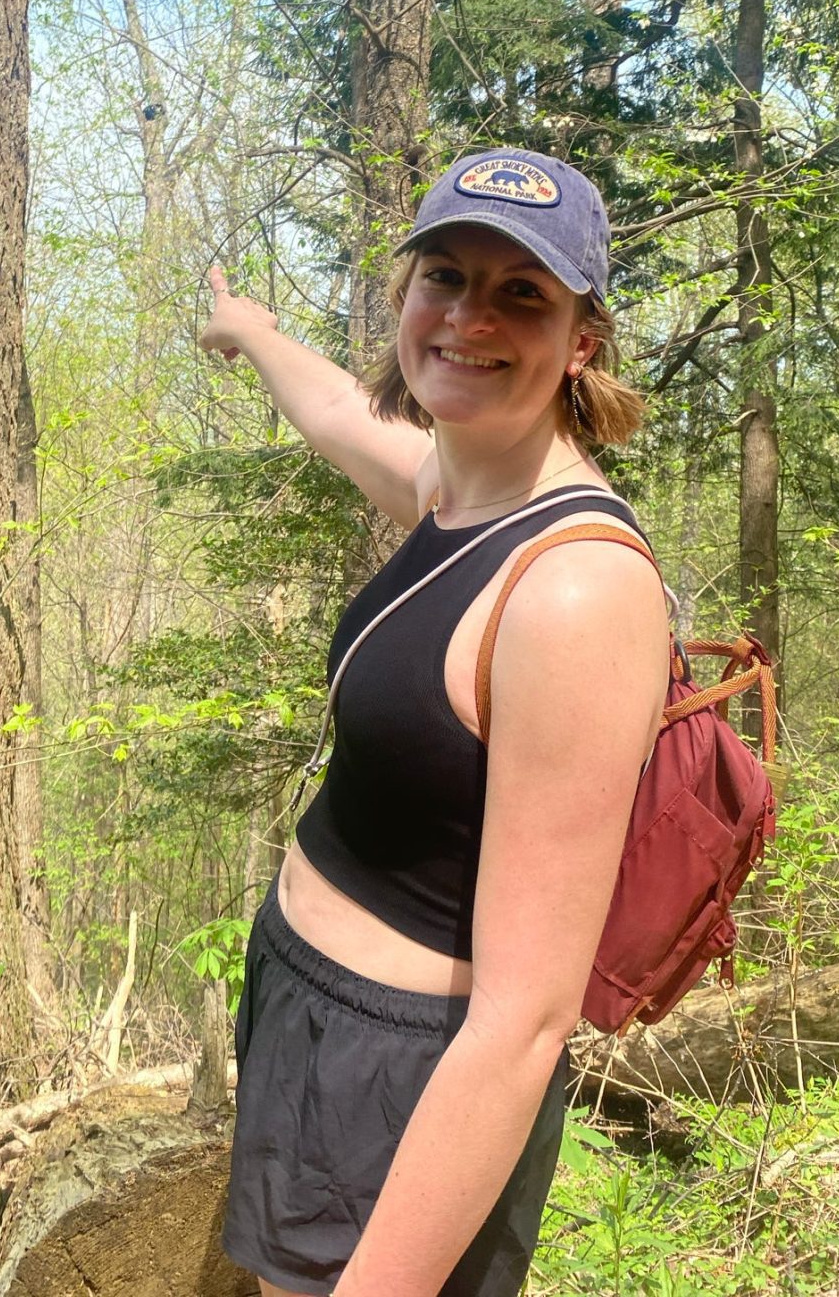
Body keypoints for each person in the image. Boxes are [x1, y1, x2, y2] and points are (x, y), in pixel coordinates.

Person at [198, 149, 672, 1297]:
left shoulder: (573, 590)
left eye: (523, 294)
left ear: (582, 341)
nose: (470, 317)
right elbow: (331, 409)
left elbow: (525, 1022)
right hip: (309, 1009)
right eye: (445, 277)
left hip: (408, 1076)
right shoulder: (454, 488)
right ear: (406, 297)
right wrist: (250, 331)